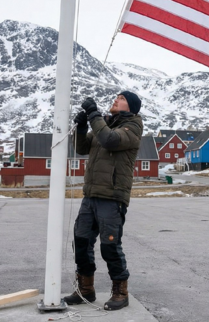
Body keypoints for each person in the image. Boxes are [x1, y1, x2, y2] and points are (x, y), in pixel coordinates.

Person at [63, 91, 143, 311]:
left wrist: (92, 114)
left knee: (109, 245)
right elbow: (81, 148)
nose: (115, 100)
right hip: (91, 196)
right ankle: (85, 290)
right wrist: (80, 127)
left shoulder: (133, 127)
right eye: (116, 97)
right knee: (81, 241)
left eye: (121, 99)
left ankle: (120, 292)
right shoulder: (104, 124)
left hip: (112, 196)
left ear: (131, 107)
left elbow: (109, 140)